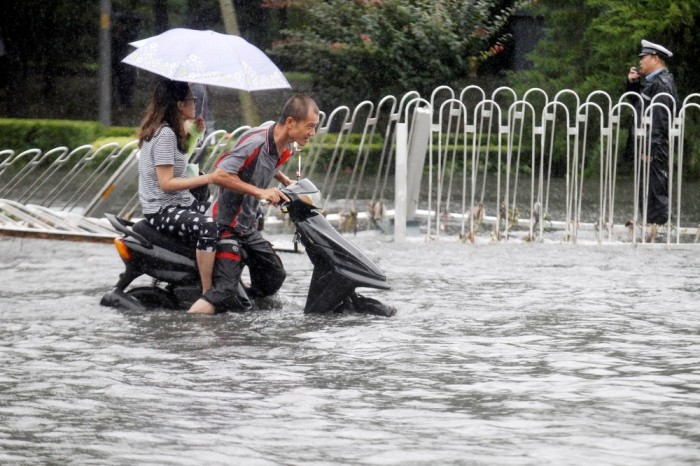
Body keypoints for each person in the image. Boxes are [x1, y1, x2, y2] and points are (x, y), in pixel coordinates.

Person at [188, 94, 320, 315]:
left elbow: (264, 163)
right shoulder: (255, 142)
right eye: (310, 126)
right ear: (290, 122)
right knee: (223, 292)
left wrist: (284, 180)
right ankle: (191, 327)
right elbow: (220, 174)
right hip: (224, 227)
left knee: (275, 274)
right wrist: (261, 191)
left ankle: (245, 306)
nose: (312, 133)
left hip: (247, 227)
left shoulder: (282, 142)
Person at [137, 79, 218, 309]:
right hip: (163, 209)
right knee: (208, 226)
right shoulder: (165, 135)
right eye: (192, 100)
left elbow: (181, 162)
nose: (196, 103)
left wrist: (194, 134)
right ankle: (207, 293)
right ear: (180, 104)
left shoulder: (170, 130)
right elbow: (167, 183)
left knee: (221, 215)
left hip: (177, 204)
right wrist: (209, 178)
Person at [626, 39, 679, 225]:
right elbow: (638, 108)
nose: (640, 62)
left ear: (655, 59)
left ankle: (659, 232)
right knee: (647, 190)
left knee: (655, 190)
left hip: (653, 148)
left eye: (644, 58)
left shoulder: (661, 84)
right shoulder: (653, 82)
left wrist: (650, 149)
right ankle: (650, 228)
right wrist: (633, 85)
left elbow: (660, 120)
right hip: (647, 145)